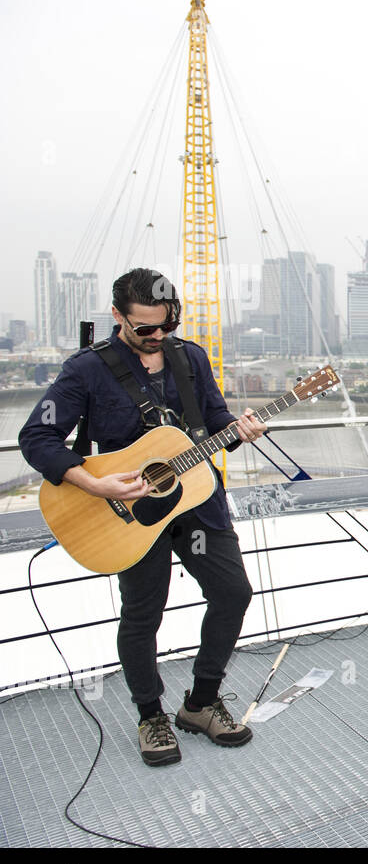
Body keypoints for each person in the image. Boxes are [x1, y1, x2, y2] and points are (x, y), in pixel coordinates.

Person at [20, 268, 267, 766]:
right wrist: (94, 482)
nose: (157, 337)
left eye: (165, 327)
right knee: (142, 613)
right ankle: (150, 714)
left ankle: (200, 703)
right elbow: (36, 439)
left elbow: (212, 423)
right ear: (117, 316)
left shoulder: (190, 357)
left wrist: (240, 429)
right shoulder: (85, 370)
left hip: (195, 501)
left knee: (233, 593)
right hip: (128, 512)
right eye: (145, 329)